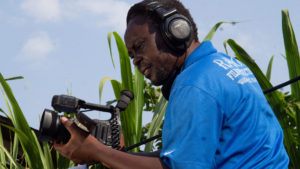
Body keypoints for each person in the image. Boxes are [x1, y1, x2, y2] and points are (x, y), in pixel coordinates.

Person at [54, 0, 289, 168]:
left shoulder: (194, 85)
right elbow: (181, 158)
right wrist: (113, 154)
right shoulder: (224, 65)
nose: (135, 60)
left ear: (175, 32)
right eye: (130, 55)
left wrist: (96, 151)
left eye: (139, 47)